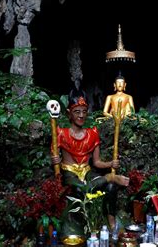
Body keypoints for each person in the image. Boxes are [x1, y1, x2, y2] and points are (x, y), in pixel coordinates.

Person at [51, 89, 129, 229]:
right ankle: (109, 177)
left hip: (87, 172)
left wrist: (110, 163)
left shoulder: (92, 133)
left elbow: (97, 162)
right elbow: (55, 159)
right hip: (70, 173)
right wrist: (55, 161)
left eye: (84, 111)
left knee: (111, 187)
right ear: (69, 113)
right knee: (80, 189)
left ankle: (111, 220)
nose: (81, 115)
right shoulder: (60, 133)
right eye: (77, 112)